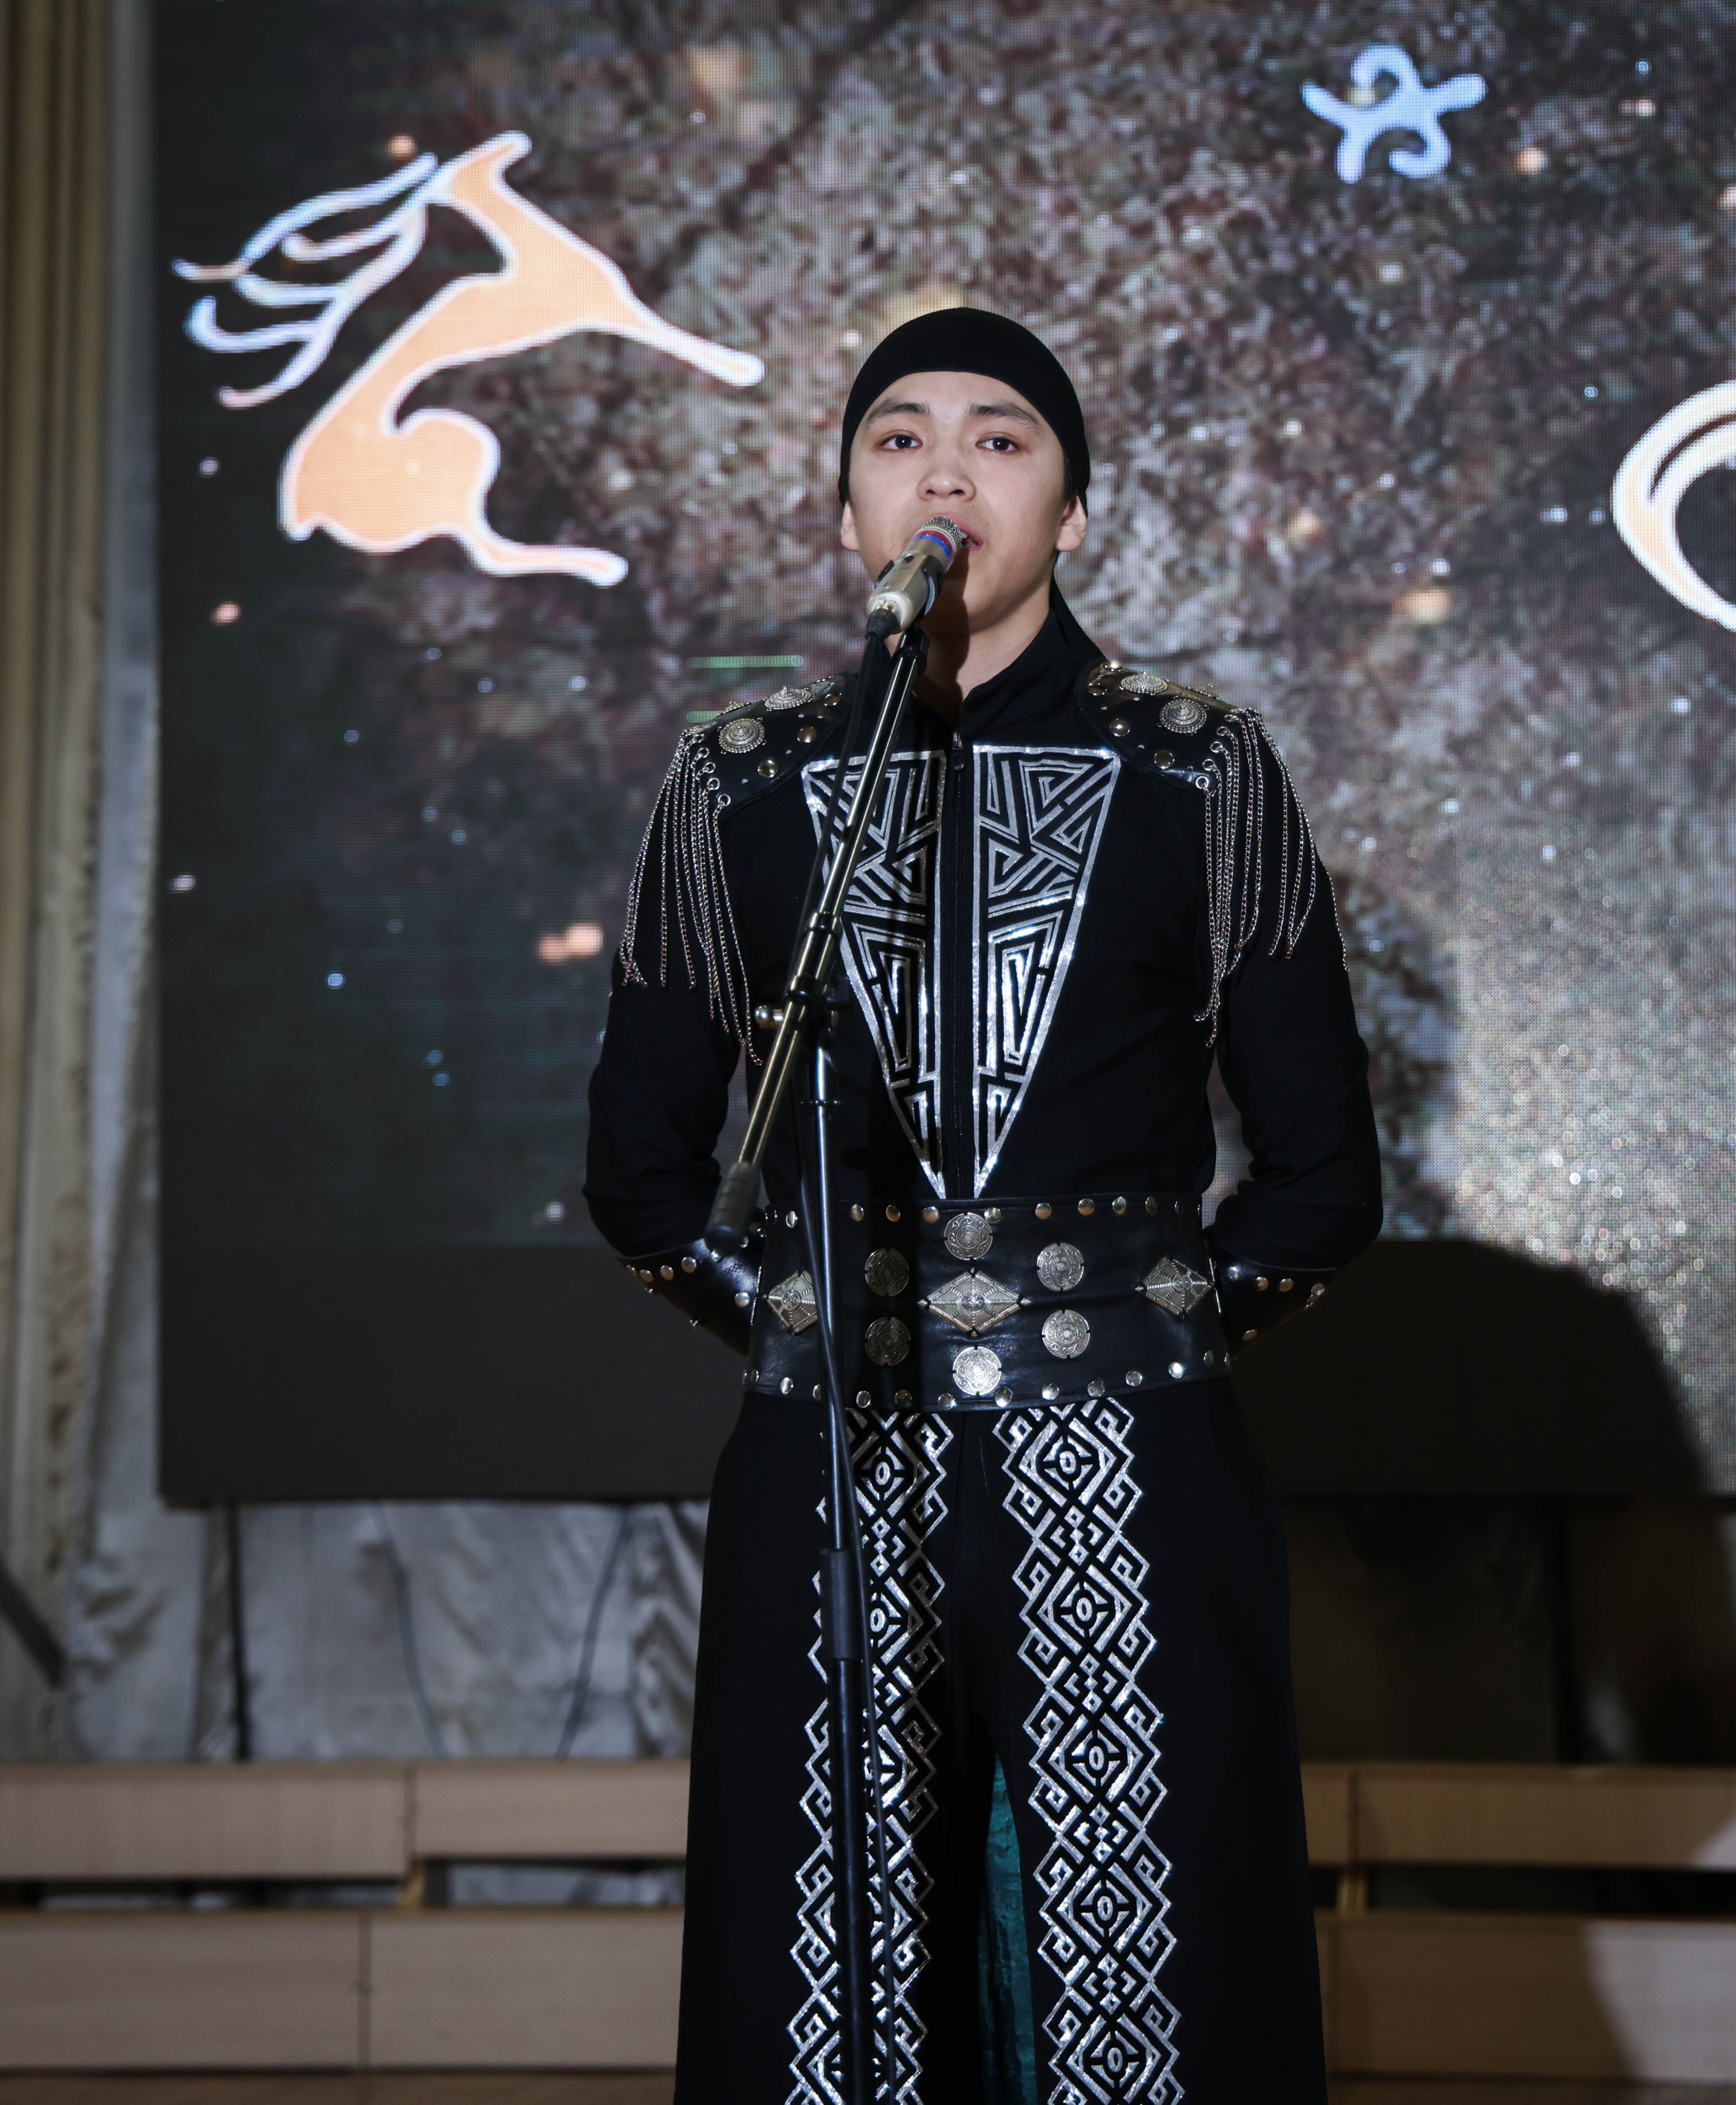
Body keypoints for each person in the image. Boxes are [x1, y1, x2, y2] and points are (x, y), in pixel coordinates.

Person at [586, 307, 1381, 2104]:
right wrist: (811, 1333)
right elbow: (640, 1176)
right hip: (828, 1457)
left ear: (1072, 513)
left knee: (1152, 1979)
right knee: (824, 1986)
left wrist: (1124, 1338)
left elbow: (1324, 1183)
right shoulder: (739, 782)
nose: (945, 470)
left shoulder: (1200, 767)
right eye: (899, 439)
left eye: (1000, 439)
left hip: (1134, 1456)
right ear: (845, 512)